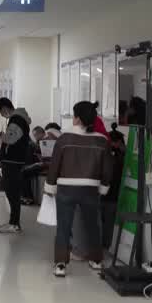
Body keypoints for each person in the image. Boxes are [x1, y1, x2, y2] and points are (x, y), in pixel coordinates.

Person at [45, 101, 113, 277]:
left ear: (77, 118)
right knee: (93, 225)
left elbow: (54, 165)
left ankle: (60, 264)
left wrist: (50, 186)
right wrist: (103, 187)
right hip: (90, 189)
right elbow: (107, 169)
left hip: (66, 188)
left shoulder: (64, 139)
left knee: (64, 226)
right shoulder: (102, 141)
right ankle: (96, 260)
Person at [0, 98, 32, 234]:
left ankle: (14, 224)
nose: (2, 115)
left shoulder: (16, 119)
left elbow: (11, 139)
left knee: (12, 192)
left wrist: (2, 136)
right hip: (14, 160)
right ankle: (13, 222)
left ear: (5, 108)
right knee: (12, 191)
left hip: (13, 161)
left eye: (1, 112)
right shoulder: (18, 119)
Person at [101, 123, 126, 252]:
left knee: (107, 220)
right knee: (106, 220)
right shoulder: (118, 155)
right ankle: (104, 244)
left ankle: (105, 244)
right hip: (109, 194)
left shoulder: (117, 156)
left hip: (109, 194)